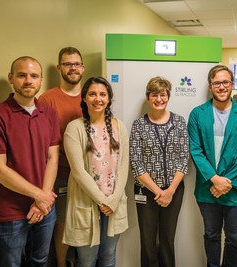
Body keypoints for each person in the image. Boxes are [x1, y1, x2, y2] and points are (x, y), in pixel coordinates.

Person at [0, 56, 61, 267]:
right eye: (22, 75)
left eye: (34, 76)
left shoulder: (49, 114)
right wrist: (39, 196)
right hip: (9, 212)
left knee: (40, 261)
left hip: (45, 209)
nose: (28, 81)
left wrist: (43, 200)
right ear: (11, 78)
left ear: (41, 80)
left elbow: (53, 157)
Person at [188, 64, 237, 267]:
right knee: (211, 235)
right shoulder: (197, 114)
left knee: (235, 238)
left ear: (232, 84)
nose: (221, 87)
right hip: (207, 188)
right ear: (210, 86)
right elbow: (196, 150)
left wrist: (226, 183)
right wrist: (215, 179)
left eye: (225, 82)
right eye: (216, 83)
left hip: (235, 189)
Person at [62, 76, 129, 267]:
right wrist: (103, 201)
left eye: (102, 94)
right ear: (84, 98)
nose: (97, 99)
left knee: (108, 257)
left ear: (108, 98)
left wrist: (113, 200)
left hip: (114, 205)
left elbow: (123, 165)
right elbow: (78, 172)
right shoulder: (74, 128)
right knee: (87, 260)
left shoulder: (119, 126)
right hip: (87, 203)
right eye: (92, 94)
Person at [129, 76, 189, 267]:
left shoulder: (179, 122)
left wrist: (169, 191)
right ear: (148, 97)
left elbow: (183, 159)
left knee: (167, 239)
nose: (159, 99)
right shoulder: (139, 125)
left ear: (168, 96)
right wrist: (158, 192)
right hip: (146, 192)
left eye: (163, 94)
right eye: (154, 95)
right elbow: (136, 163)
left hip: (174, 191)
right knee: (147, 241)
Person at [39, 47, 85, 267]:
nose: (73, 68)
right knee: (63, 222)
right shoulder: (47, 99)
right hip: (60, 173)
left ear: (83, 67)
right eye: (67, 64)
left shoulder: (92, 94)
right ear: (59, 68)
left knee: (84, 219)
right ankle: (61, 263)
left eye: (76, 64)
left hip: (88, 173)